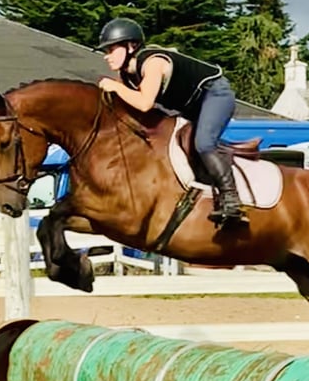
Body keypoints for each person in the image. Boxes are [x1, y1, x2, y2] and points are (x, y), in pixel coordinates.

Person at [96, 17, 248, 227]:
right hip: (191, 105)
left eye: (111, 49)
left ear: (131, 46)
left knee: (203, 143)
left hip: (215, 94)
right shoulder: (127, 75)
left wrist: (117, 88)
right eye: (106, 51)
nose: (107, 56)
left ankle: (232, 201)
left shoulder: (152, 63)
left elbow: (144, 104)